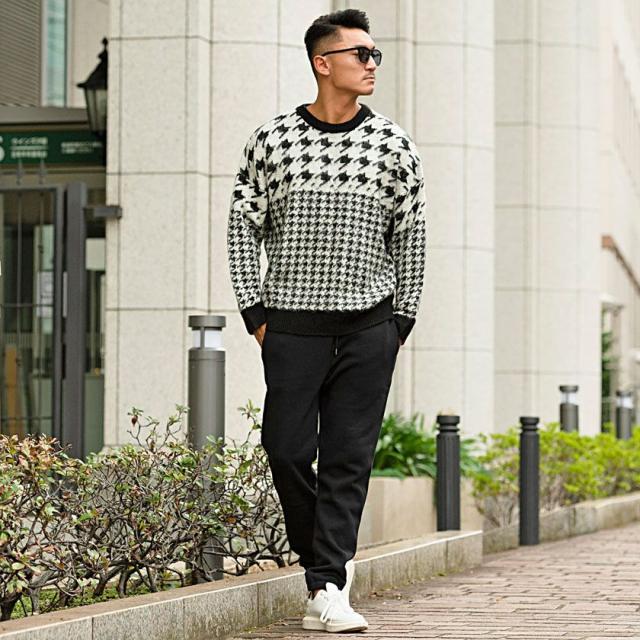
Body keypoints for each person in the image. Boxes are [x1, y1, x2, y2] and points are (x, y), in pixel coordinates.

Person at [227, 7, 427, 634]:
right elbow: (242, 225)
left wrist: (400, 322)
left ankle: (327, 586)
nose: (371, 64)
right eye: (360, 54)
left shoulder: (393, 145)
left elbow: (411, 237)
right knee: (285, 449)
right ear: (323, 62)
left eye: (374, 54)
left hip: (370, 326)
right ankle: (330, 565)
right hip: (290, 325)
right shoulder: (272, 141)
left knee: (348, 459)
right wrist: (255, 311)